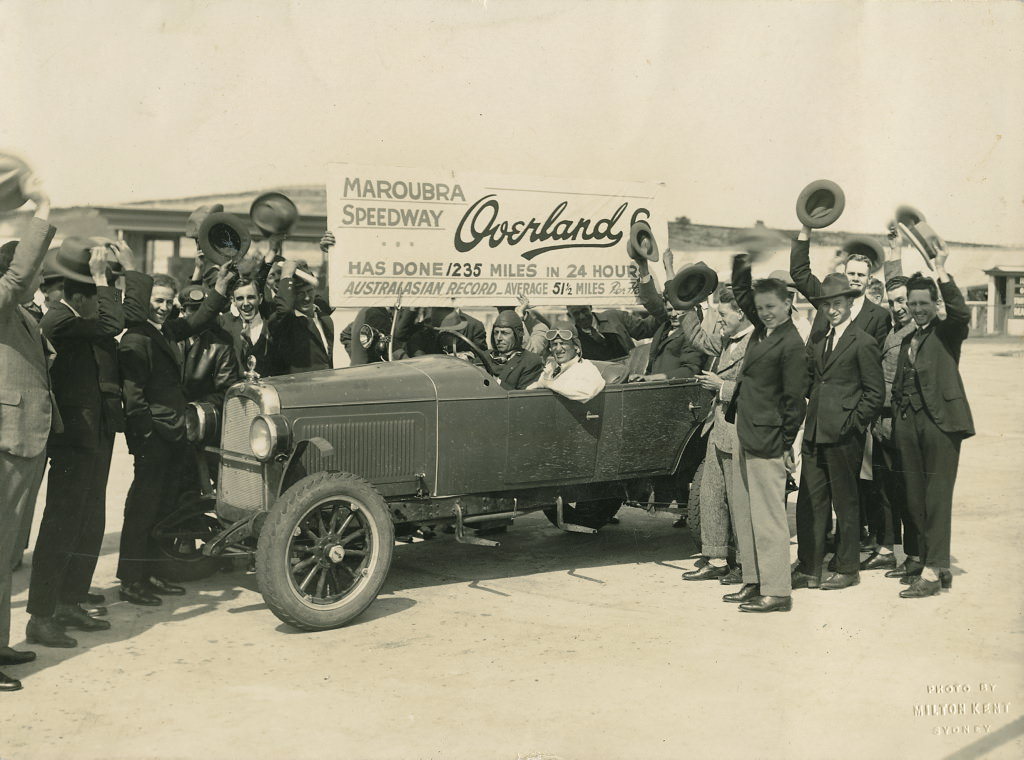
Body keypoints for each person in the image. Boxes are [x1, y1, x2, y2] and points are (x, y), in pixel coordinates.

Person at [24, 240, 142, 649]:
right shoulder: (59, 318)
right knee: (61, 524)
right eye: (96, 297)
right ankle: (41, 616)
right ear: (79, 297)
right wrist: (101, 277)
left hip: (93, 435)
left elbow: (118, 318)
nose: (101, 305)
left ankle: (69, 602)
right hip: (72, 441)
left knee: (89, 522)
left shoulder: (76, 320)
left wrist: (111, 279)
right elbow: (114, 321)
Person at [117, 267, 235, 606]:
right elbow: (133, 398)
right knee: (142, 511)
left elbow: (198, 320)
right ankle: (131, 581)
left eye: (168, 302)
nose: (163, 307)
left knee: (161, 510)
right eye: (158, 301)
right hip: (155, 438)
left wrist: (221, 288)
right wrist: (146, 438)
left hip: (170, 435)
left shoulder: (164, 330)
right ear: (145, 301)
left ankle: (152, 573)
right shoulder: (136, 338)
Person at [723, 255, 807, 613]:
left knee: (769, 516)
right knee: (745, 512)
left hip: (769, 439)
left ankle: (777, 590)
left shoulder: (792, 344)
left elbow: (795, 402)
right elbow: (743, 293)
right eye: (760, 308)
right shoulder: (763, 330)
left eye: (771, 307)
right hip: (746, 431)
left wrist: (786, 444)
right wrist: (742, 261)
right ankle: (754, 580)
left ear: (788, 304)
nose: (765, 313)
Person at [791, 274, 883, 592]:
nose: (832, 310)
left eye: (838, 303)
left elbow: (875, 394)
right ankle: (809, 568)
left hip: (844, 437)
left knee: (845, 503)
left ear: (849, 304)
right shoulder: (819, 340)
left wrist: (852, 424)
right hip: (815, 432)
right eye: (827, 305)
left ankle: (847, 568)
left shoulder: (863, 342)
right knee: (810, 502)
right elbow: (810, 382)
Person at [891, 245, 973, 598]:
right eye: (913, 304)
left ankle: (931, 572)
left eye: (924, 303)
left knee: (936, 499)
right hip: (909, 425)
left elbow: (960, 311)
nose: (918, 309)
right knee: (916, 499)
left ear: (934, 303)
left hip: (941, 425)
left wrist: (941, 270)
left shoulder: (947, 330)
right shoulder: (909, 337)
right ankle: (934, 564)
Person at [0, 176, 55, 691]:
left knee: (5, 553)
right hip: (7, 438)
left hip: (22, 437)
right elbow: (18, 277)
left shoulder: (15, 313)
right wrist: (42, 208)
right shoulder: (4, 300)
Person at [681, 287, 753, 583]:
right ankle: (716, 558)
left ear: (741, 313)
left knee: (739, 500)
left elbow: (761, 391)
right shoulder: (727, 339)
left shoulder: (757, 344)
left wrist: (721, 386)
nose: (719, 320)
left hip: (741, 431)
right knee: (711, 494)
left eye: (723, 314)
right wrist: (685, 305)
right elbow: (698, 338)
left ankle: (746, 566)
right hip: (718, 427)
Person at [862, 228, 918, 575]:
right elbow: (894, 283)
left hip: (902, 423)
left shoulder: (918, 333)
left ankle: (914, 556)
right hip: (880, 425)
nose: (898, 307)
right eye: (893, 302)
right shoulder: (893, 329)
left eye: (904, 302)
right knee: (883, 489)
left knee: (907, 491)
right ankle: (885, 548)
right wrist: (894, 252)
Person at [790, 226, 891, 347]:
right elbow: (800, 273)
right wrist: (806, 228)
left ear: (869, 279)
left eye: (861, 275)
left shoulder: (880, 316)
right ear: (844, 275)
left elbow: (877, 354)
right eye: (851, 274)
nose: (855, 278)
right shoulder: (826, 298)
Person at [178, 284, 242, 407]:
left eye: (202, 310)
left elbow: (226, 392)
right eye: (193, 310)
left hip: (200, 413)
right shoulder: (170, 339)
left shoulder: (221, 347)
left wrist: (193, 407)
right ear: (182, 311)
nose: (199, 316)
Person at [269, 260, 334, 374]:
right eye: (300, 293)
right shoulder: (285, 322)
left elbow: (336, 289)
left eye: (309, 291)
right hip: (296, 384)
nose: (307, 298)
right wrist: (286, 275)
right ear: (291, 295)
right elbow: (285, 308)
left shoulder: (323, 317)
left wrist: (334, 253)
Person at [527, 321, 605, 402]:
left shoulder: (585, 368)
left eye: (563, 343)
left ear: (576, 346)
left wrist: (546, 384)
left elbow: (587, 392)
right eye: (554, 344)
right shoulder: (551, 367)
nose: (558, 349)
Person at [220, 277, 274, 377]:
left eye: (251, 297)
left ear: (260, 299)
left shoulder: (271, 324)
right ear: (233, 301)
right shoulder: (225, 324)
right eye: (240, 298)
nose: (245, 303)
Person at [487, 309, 543, 389]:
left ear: (517, 335)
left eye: (504, 333)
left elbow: (523, 395)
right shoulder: (485, 356)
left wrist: (494, 381)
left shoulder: (530, 362)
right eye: (496, 333)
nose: (498, 338)